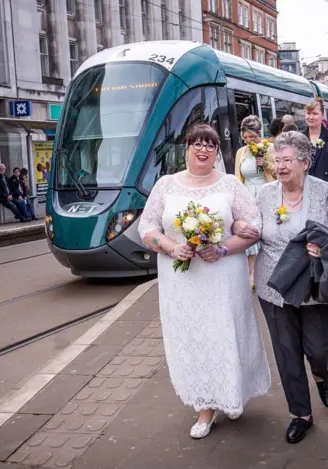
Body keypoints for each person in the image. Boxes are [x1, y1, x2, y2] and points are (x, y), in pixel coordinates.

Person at [137, 124, 271, 439]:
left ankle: (231, 393)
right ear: (186, 149)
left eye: (210, 145)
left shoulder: (229, 184)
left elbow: (254, 224)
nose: (203, 150)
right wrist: (172, 247)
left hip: (223, 277)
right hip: (182, 281)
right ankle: (205, 407)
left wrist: (224, 245)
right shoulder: (166, 185)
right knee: (195, 336)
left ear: (216, 152)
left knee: (225, 332)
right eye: (196, 144)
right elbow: (147, 227)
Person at [234, 131, 328, 444]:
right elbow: (254, 229)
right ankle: (301, 414)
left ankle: (321, 373)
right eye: (277, 160)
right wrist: (238, 227)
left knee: (318, 348)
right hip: (275, 287)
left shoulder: (323, 191)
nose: (280, 166)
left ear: (305, 163)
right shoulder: (266, 194)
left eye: (287, 160)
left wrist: (325, 248)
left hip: (315, 288)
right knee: (286, 352)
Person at [235, 115, 276, 289]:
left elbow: (278, 172)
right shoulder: (241, 152)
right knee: (250, 232)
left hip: (266, 192)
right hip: (248, 195)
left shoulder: (270, 148)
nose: (249, 140)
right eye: (246, 137)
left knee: (266, 231)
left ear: (260, 134)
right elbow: (238, 177)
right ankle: (252, 274)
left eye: (253, 137)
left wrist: (265, 163)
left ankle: (268, 271)